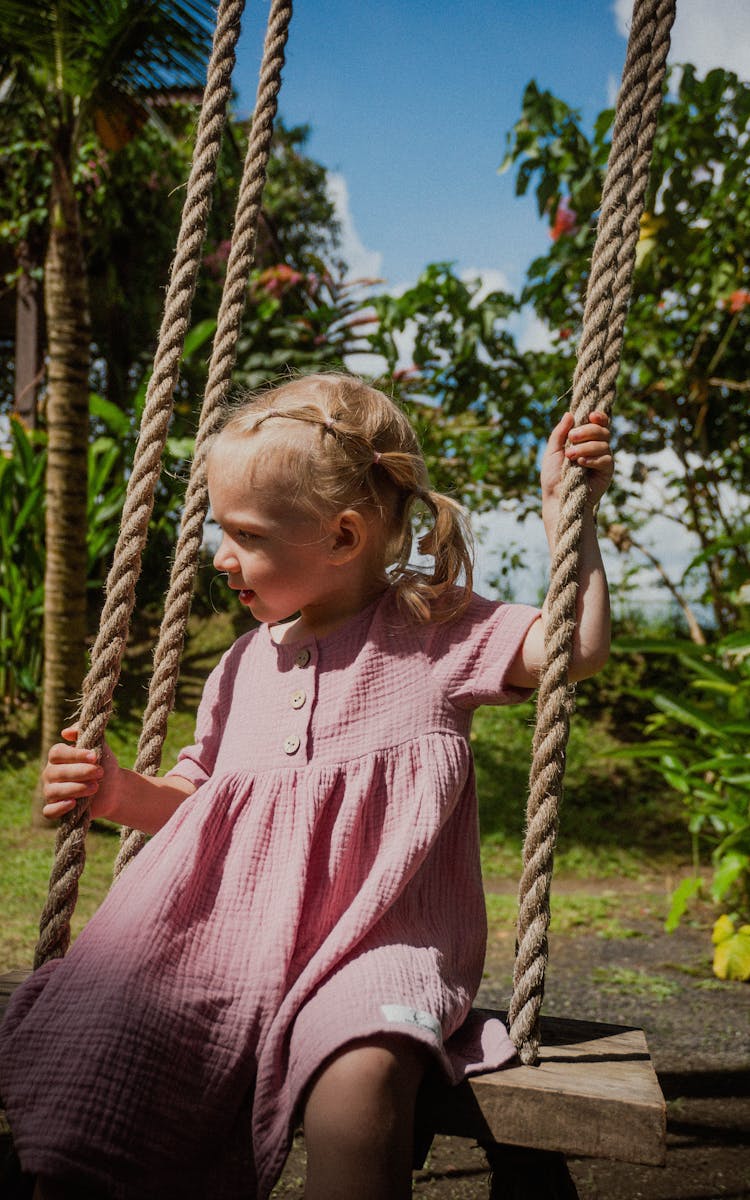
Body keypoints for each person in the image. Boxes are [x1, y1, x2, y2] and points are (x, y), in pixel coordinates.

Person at [1, 372, 613, 1200]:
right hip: (229, 941)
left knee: (360, 1081)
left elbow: (573, 648)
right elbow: (201, 798)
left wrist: (567, 516)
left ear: (344, 535)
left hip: (379, 949)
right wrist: (117, 793)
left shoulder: (436, 630)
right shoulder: (243, 665)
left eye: (244, 536)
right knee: (105, 1042)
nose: (222, 556)